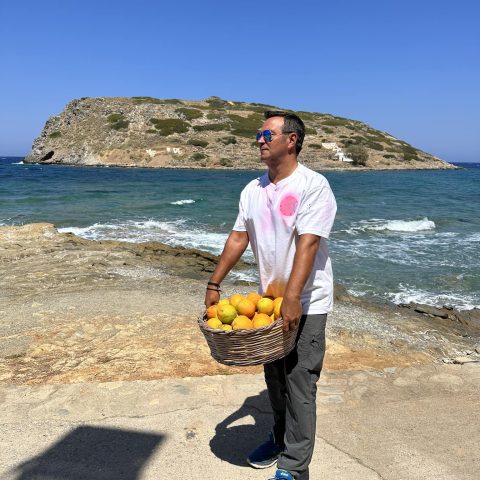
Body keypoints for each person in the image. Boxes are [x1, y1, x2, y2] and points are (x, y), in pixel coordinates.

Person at [204, 111, 337, 480]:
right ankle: (280, 438)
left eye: (267, 134)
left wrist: (293, 298)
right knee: (275, 379)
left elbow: (309, 244)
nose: (259, 140)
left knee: (300, 382)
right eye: (259, 135)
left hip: (307, 301)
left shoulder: (313, 185)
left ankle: (294, 468)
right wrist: (214, 283)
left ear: (291, 140)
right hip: (270, 304)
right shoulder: (253, 189)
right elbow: (238, 238)